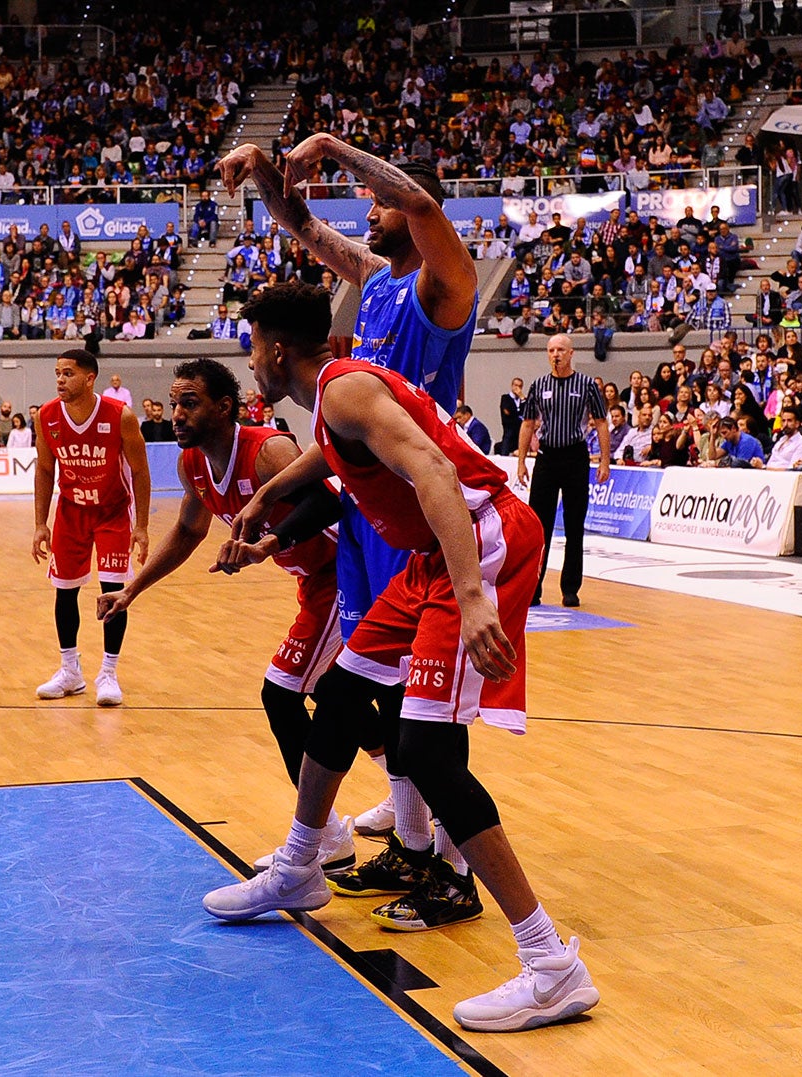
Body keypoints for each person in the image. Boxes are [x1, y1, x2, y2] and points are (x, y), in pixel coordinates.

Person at [202, 284, 599, 1034]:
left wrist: (475, 594)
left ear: (276, 348)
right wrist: (268, 498)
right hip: (431, 555)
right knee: (341, 693)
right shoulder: (336, 390)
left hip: (476, 541)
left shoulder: (347, 386)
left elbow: (438, 475)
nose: (248, 359)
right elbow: (334, 453)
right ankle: (299, 865)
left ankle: (552, 965)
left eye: (250, 343)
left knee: (427, 749)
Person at [219, 132, 478, 871]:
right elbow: (300, 223)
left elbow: (420, 200)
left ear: (405, 202)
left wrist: (333, 146)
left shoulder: (443, 286)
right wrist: (267, 170)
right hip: (366, 506)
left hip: (416, 497)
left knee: (406, 693)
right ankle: (409, 828)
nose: (368, 210)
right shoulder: (375, 279)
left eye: (379, 201)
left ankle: (440, 849)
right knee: (374, 687)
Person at [97, 358, 353, 869]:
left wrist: (267, 543)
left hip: (345, 577)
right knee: (339, 695)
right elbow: (190, 532)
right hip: (311, 582)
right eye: (174, 403)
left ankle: (325, 835)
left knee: (280, 694)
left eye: (189, 403)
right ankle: (398, 793)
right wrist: (132, 590)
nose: (176, 414)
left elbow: (330, 506)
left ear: (224, 407)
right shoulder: (192, 464)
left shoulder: (268, 451)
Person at [32, 349, 151, 706]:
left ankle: (109, 673)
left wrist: (141, 526)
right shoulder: (47, 416)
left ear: (89, 378)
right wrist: (40, 523)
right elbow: (44, 469)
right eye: (57, 373)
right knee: (64, 591)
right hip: (71, 512)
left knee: (113, 592)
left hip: (112, 512)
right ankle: (70, 671)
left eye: (67, 373)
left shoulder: (120, 416)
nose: (60, 380)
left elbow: (142, 472)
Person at [517, 335, 609, 608]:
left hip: (575, 458)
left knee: (574, 526)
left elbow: (602, 423)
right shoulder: (539, 385)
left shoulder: (587, 385)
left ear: (571, 353)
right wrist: (522, 460)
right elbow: (528, 424)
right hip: (546, 458)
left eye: (560, 350)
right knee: (537, 528)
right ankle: (533, 589)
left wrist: (605, 461)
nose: (555, 354)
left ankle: (571, 588)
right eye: (551, 350)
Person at [499, 378, 526, 454]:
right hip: (509, 428)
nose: (517, 388)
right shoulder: (505, 398)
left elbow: (526, 412)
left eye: (520, 386)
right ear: (512, 386)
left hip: (520, 430)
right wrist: (519, 415)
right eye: (516, 385)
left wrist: (522, 398)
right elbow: (507, 412)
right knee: (505, 448)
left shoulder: (523, 400)